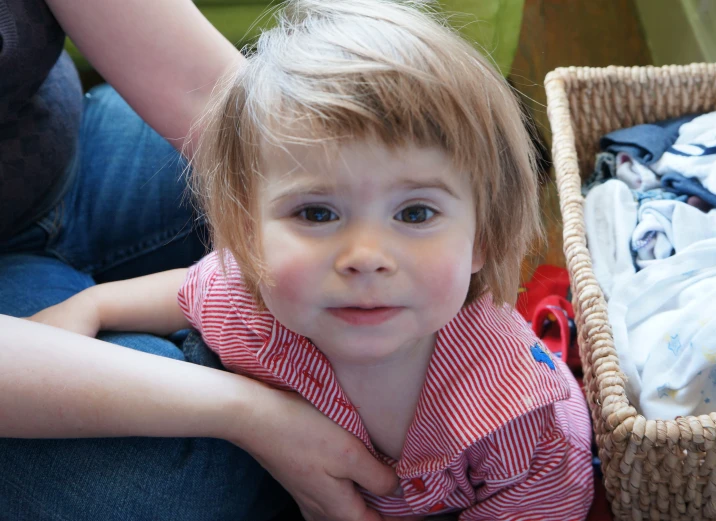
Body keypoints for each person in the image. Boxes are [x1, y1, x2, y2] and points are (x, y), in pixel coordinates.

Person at [28, 1, 595, 519]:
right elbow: (194, 290)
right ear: (248, 234)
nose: (366, 257)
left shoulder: (523, 420)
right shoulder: (256, 300)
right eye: (318, 214)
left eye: (416, 214)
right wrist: (92, 308)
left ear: (482, 240)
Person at [0, 0, 398, 519]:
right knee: (180, 478)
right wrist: (253, 414)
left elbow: (216, 94)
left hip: (71, 156)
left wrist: (329, 194)